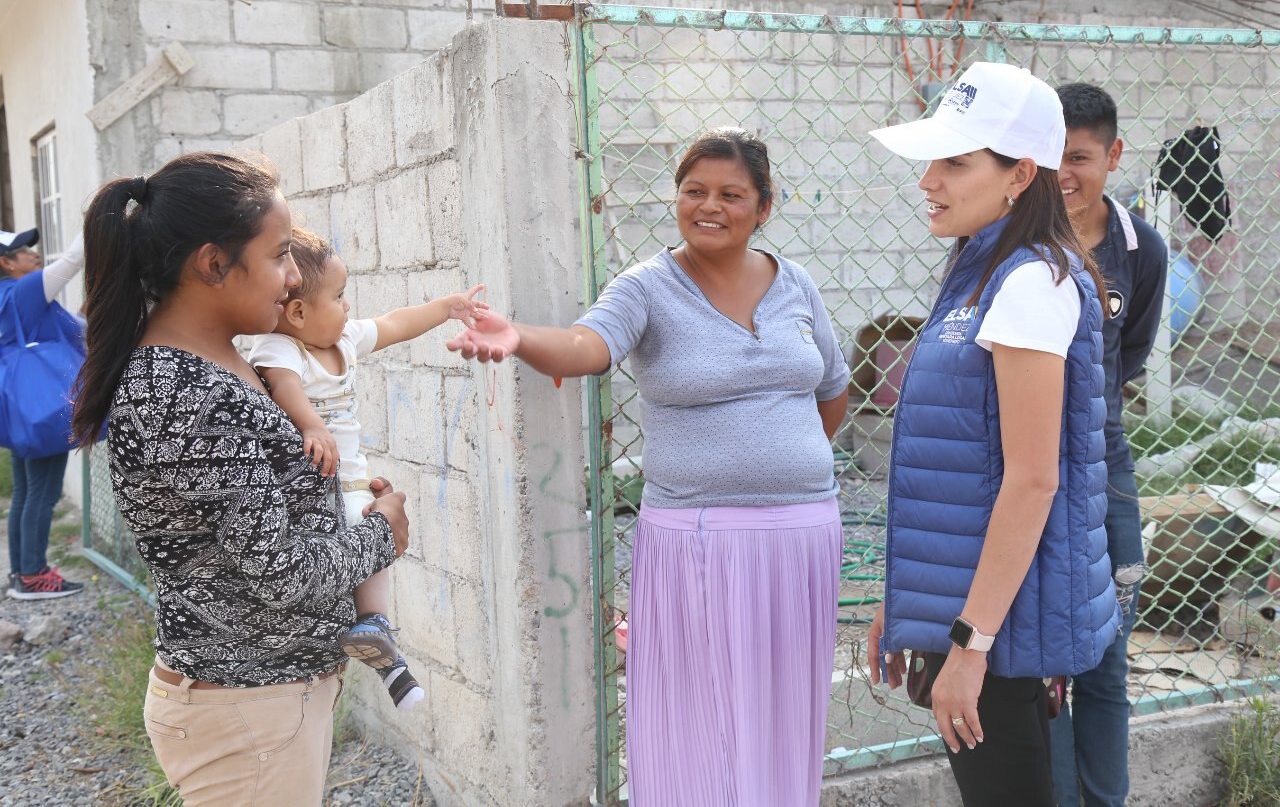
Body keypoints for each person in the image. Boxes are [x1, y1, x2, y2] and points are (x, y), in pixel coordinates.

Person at [448, 127, 850, 806]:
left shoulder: (795, 281)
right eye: (693, 191)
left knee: (786, 717)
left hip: (805, 536)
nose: (708, 205)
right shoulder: (648, 287)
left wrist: (789, 465)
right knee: (698, 726)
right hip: (699, 541)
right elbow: (587, 342)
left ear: (765, 205)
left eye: (730, 193)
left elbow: (831, 387)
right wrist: (520, 338)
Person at [71, 152, 410, 805]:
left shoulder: (221, 359)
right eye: (280, 254)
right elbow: (280, 573)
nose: (292, 277)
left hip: (264, 701)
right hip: (247, 711)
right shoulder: (178, 390)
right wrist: (383, 534)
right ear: (212, 263)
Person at [865, 62, 1121, 806]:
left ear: (1020, 176)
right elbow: (957, 468)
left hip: (1007, 630)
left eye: (955, 161)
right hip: (985, 615)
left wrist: (970, 646)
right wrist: (910, 598)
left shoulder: (1028, 282)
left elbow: (1034, 478)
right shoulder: (983, 266)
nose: (928, 181)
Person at [247, 226, 485, 712]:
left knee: (373, 533)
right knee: (348, 545)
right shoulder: (279, 348)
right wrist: (312, 426)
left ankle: (374, 633)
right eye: (339, 296)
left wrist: (446, 308)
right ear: (297, 312)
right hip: (310, 485)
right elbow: (285, 386)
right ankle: (381, 650)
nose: (349, 306)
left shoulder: (345, 340)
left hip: (351, 477)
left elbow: (395, 323)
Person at [1050, 82, 1168, 807]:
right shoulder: (1007, 239)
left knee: (1104, 659)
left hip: (1105, 457)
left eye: (1080, 157)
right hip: (1026, 462)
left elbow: (1128, 358)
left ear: (1113, 156)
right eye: (1048, 156)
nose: (1064, 173)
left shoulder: (1140, 249)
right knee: (1046, 665)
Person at [1, 227, 86, 600]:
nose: (33, 254)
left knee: (25, 491)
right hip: (42, 408)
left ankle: (22, 572)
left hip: (20, 407)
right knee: (42, 492)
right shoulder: (20, 294)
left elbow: (75, 330)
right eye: (23, 250)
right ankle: (33, 575)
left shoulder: (8, 298)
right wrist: (102, 219)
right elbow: (71, 261)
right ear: (5, 262)